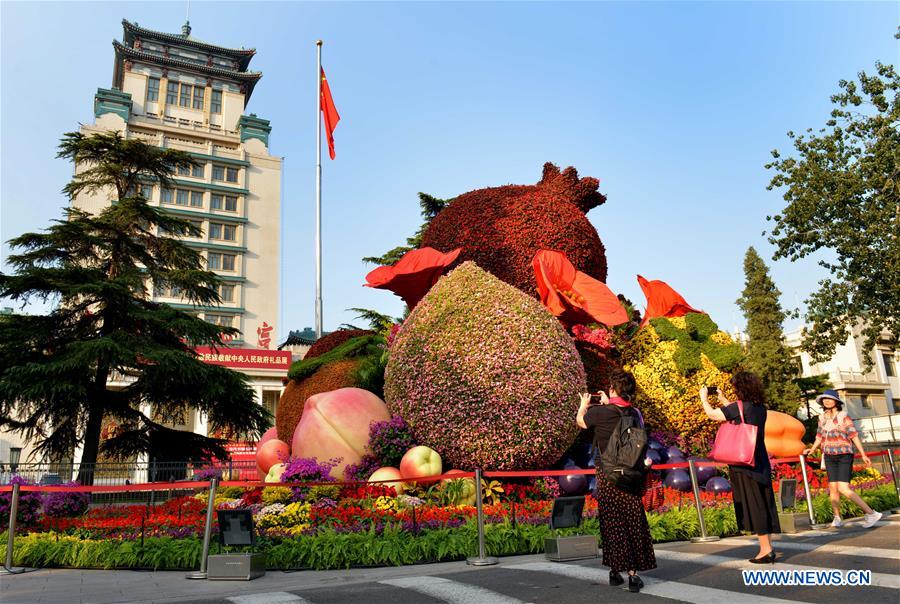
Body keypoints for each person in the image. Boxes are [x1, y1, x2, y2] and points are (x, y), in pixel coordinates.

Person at [577, 369, 656, 593]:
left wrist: (584, 404)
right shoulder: (635, 413)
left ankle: (615, 572)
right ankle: (633, 575)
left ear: (612, 389)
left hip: (608, 475)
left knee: (612, 523)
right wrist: (609, 402)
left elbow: (581, 422)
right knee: (632, 522)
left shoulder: (600, 412)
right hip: (631, 474)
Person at [700, 371, 780, 563]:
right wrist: (723, 400)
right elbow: (742, 414)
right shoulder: (760, 408)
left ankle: (766, 550)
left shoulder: (739, 407)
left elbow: (712, 415)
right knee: (763, 502)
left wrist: (704, 398)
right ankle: (768, 547)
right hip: (760, 460)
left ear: (740, 388)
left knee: (755, 505)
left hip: (744, 463)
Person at [803, 389, 882, 528]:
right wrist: (813, 449)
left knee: (843, 488)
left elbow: (853, 435)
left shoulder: (843, 416)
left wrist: (863, 454)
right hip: (829, 456)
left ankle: (871, 513)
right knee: (833, 487)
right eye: (824, 399)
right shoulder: (822, 418)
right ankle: (837, 518)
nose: (827, 401)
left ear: (836, 401)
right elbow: (819, 437)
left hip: (844, 455)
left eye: (830, 399)